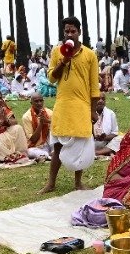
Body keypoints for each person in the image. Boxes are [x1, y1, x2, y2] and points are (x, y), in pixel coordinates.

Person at [42, 16, 100, 193]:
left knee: (80, 146)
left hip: (81, 107)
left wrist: (92, 111)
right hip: (62, 106)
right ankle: (51, 183)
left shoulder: (90, 55)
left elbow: (94, 87)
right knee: (58, 145)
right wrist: (63, 60)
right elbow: (51, 78)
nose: (70, 34)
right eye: (66, 31)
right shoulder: (57, 51)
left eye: (73, 31)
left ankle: (78, 182)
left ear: (79, 32)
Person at [22, 94, 54, 161]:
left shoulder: (49, 113)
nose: (39, 103)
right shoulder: (26, 117)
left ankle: (52, 153)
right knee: (31, 152)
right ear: (31, 103)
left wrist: (47, 121)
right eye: (36, 101)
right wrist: (41, 123)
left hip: (49, 144)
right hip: (35, 147)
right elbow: (33, 139)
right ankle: (50, 155)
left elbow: (58, 127)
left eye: (41, 101)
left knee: (54, 129)